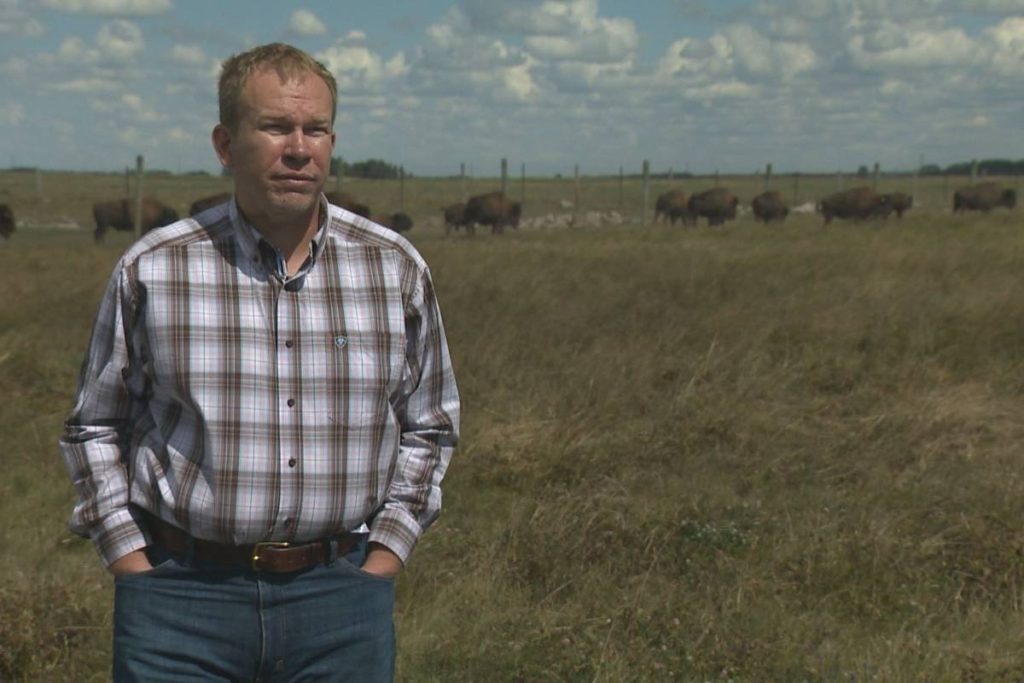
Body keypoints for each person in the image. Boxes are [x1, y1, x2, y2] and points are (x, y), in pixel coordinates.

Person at [59, 42, 460, 682]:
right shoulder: (157, 269)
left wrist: (384, 556)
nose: (299, 148)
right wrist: (131, 562)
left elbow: (431, 425)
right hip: (180, 602)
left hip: (340, 601)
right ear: (225, 144)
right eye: (275, 127)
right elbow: (93, 426)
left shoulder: (394, 268)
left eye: (316, 129)